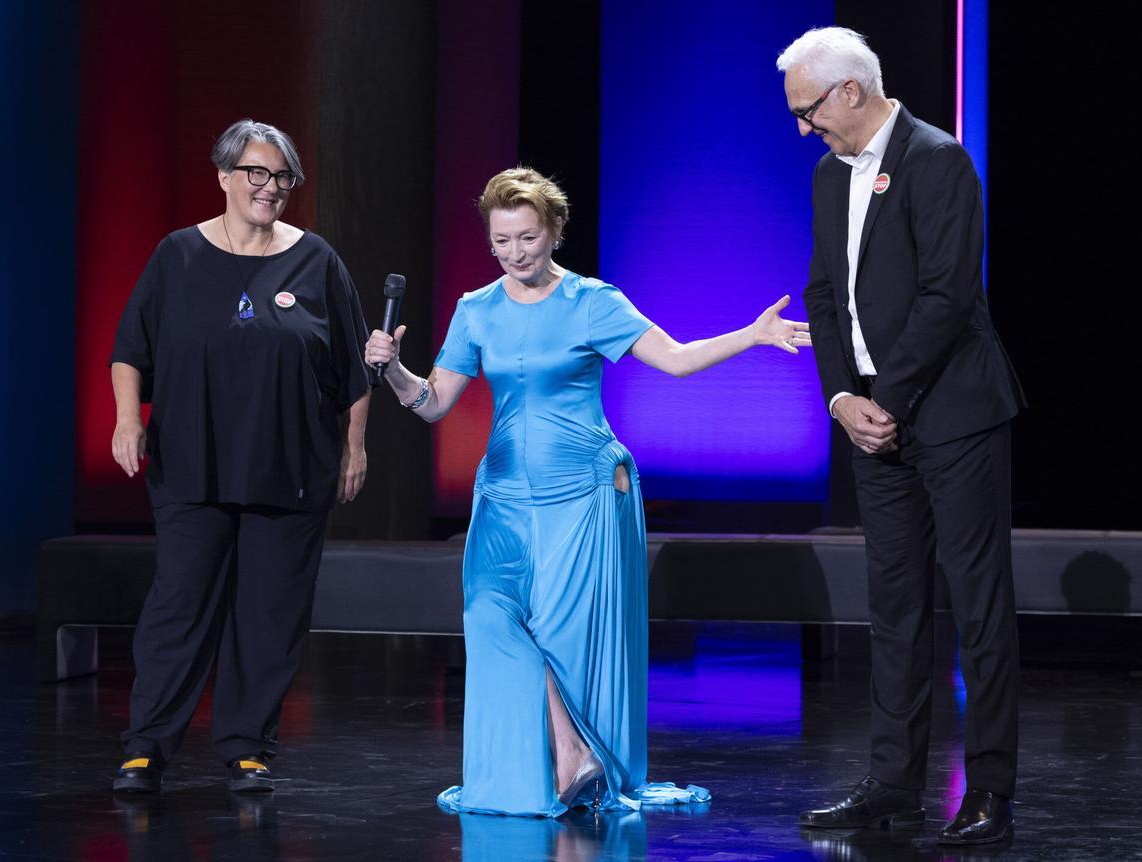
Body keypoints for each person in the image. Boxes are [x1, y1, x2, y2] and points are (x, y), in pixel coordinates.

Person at [366, 167, 810, 817]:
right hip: (504, 495)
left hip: (584, 492)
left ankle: (573, 756)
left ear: (554, 230)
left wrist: (753, 335)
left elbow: (676, 360)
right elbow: (432, 403)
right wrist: (393, 371)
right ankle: (567, 753)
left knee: (561, 634)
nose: (515, 253)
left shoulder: (592, 302)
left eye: (527, 237)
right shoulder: (476, 309)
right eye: (501, 241)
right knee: (490, 614)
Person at [776, 28, 1025, 844]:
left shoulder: (938, 160)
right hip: (871, 424)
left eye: (808, 109)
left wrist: (884, 397)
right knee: (895, 607)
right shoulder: (827, 175)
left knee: (979, 607)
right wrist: (842, 398)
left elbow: (947, 297)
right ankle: (893, 785)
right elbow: (822, 295)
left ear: (850, 90)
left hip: (954, 417)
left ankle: (989, 791)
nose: (803, 128)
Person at [109, 119, 374, 794]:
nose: (270, 187)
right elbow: (129, 350)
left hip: (291, 467)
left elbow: (353, 369)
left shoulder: (317, 260)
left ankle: (247, 747)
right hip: (192, 464)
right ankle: (146, 748)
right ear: (225, 176)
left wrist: (353, 447)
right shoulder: (177, 255)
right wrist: (126, 421)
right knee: (178, 607)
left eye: (282, 176)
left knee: (269, 613)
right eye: (257, 172)